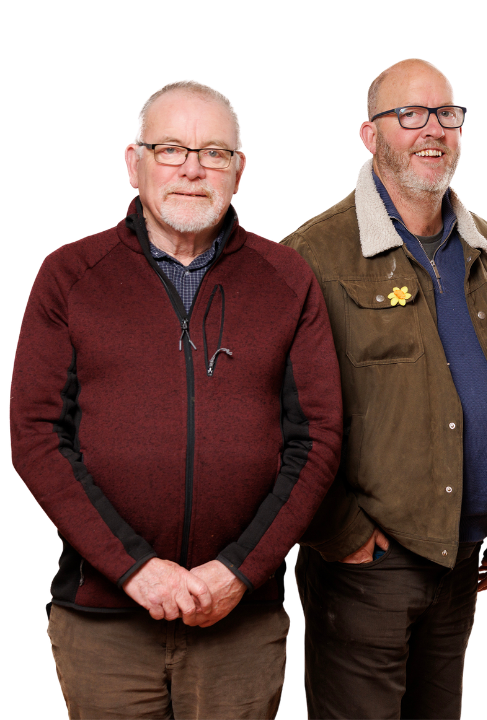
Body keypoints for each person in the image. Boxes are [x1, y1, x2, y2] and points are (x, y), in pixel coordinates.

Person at [9, 81, 342, 718]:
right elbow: (36, 436)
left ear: (238, 171)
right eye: (170, 149)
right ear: (134, 163)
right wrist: (134, 569)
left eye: (214, 152)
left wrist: (238, 570)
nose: (192, 169)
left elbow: (319, 440)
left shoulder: (287, 279)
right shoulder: (70, 276)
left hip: (241, 618)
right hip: (103, 620)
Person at [282, 58, 487, 719]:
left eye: (446, 114)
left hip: (462, 557)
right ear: (370, 135)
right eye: (410, 114)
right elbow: (276, 416)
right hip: (366, 567)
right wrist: (338, 529)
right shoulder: (314, 256)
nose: (433, 130)